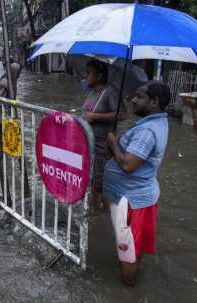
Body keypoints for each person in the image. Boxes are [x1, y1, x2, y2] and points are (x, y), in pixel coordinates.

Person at [103, 80, 171, 286]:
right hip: (138, 197)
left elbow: (128, 165)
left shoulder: (147, 131)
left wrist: (114, 143)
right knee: (133, 247)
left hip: (130, 201)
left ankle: (127, 291)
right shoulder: (155, 122)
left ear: (154, 102)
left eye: (139, 96)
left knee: (127, 253)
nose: (132, 100)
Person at [81, 59, 126, 206]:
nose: (85, 76)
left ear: (99, 76)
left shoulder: (110, 92)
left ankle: (102, 217)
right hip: (90, 146)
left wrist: (96, 116)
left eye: (89, 73)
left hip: (103, 148)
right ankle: (95, 216)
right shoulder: (93, 93)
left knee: (100, 186)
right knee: (92, 183)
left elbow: (122, 115)